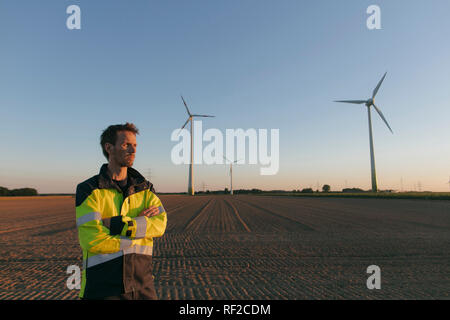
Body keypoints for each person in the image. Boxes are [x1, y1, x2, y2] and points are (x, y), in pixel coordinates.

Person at [75, 122, 167, 300]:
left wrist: (114, 224)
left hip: (143, 287)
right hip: (102, 289)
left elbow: (160, 226)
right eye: (126, 145)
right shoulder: (89, 189)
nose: (133, 151)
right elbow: (93, 241)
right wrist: (139, 230)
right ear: (109, 148)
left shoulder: (145, 189)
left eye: (135, 145)